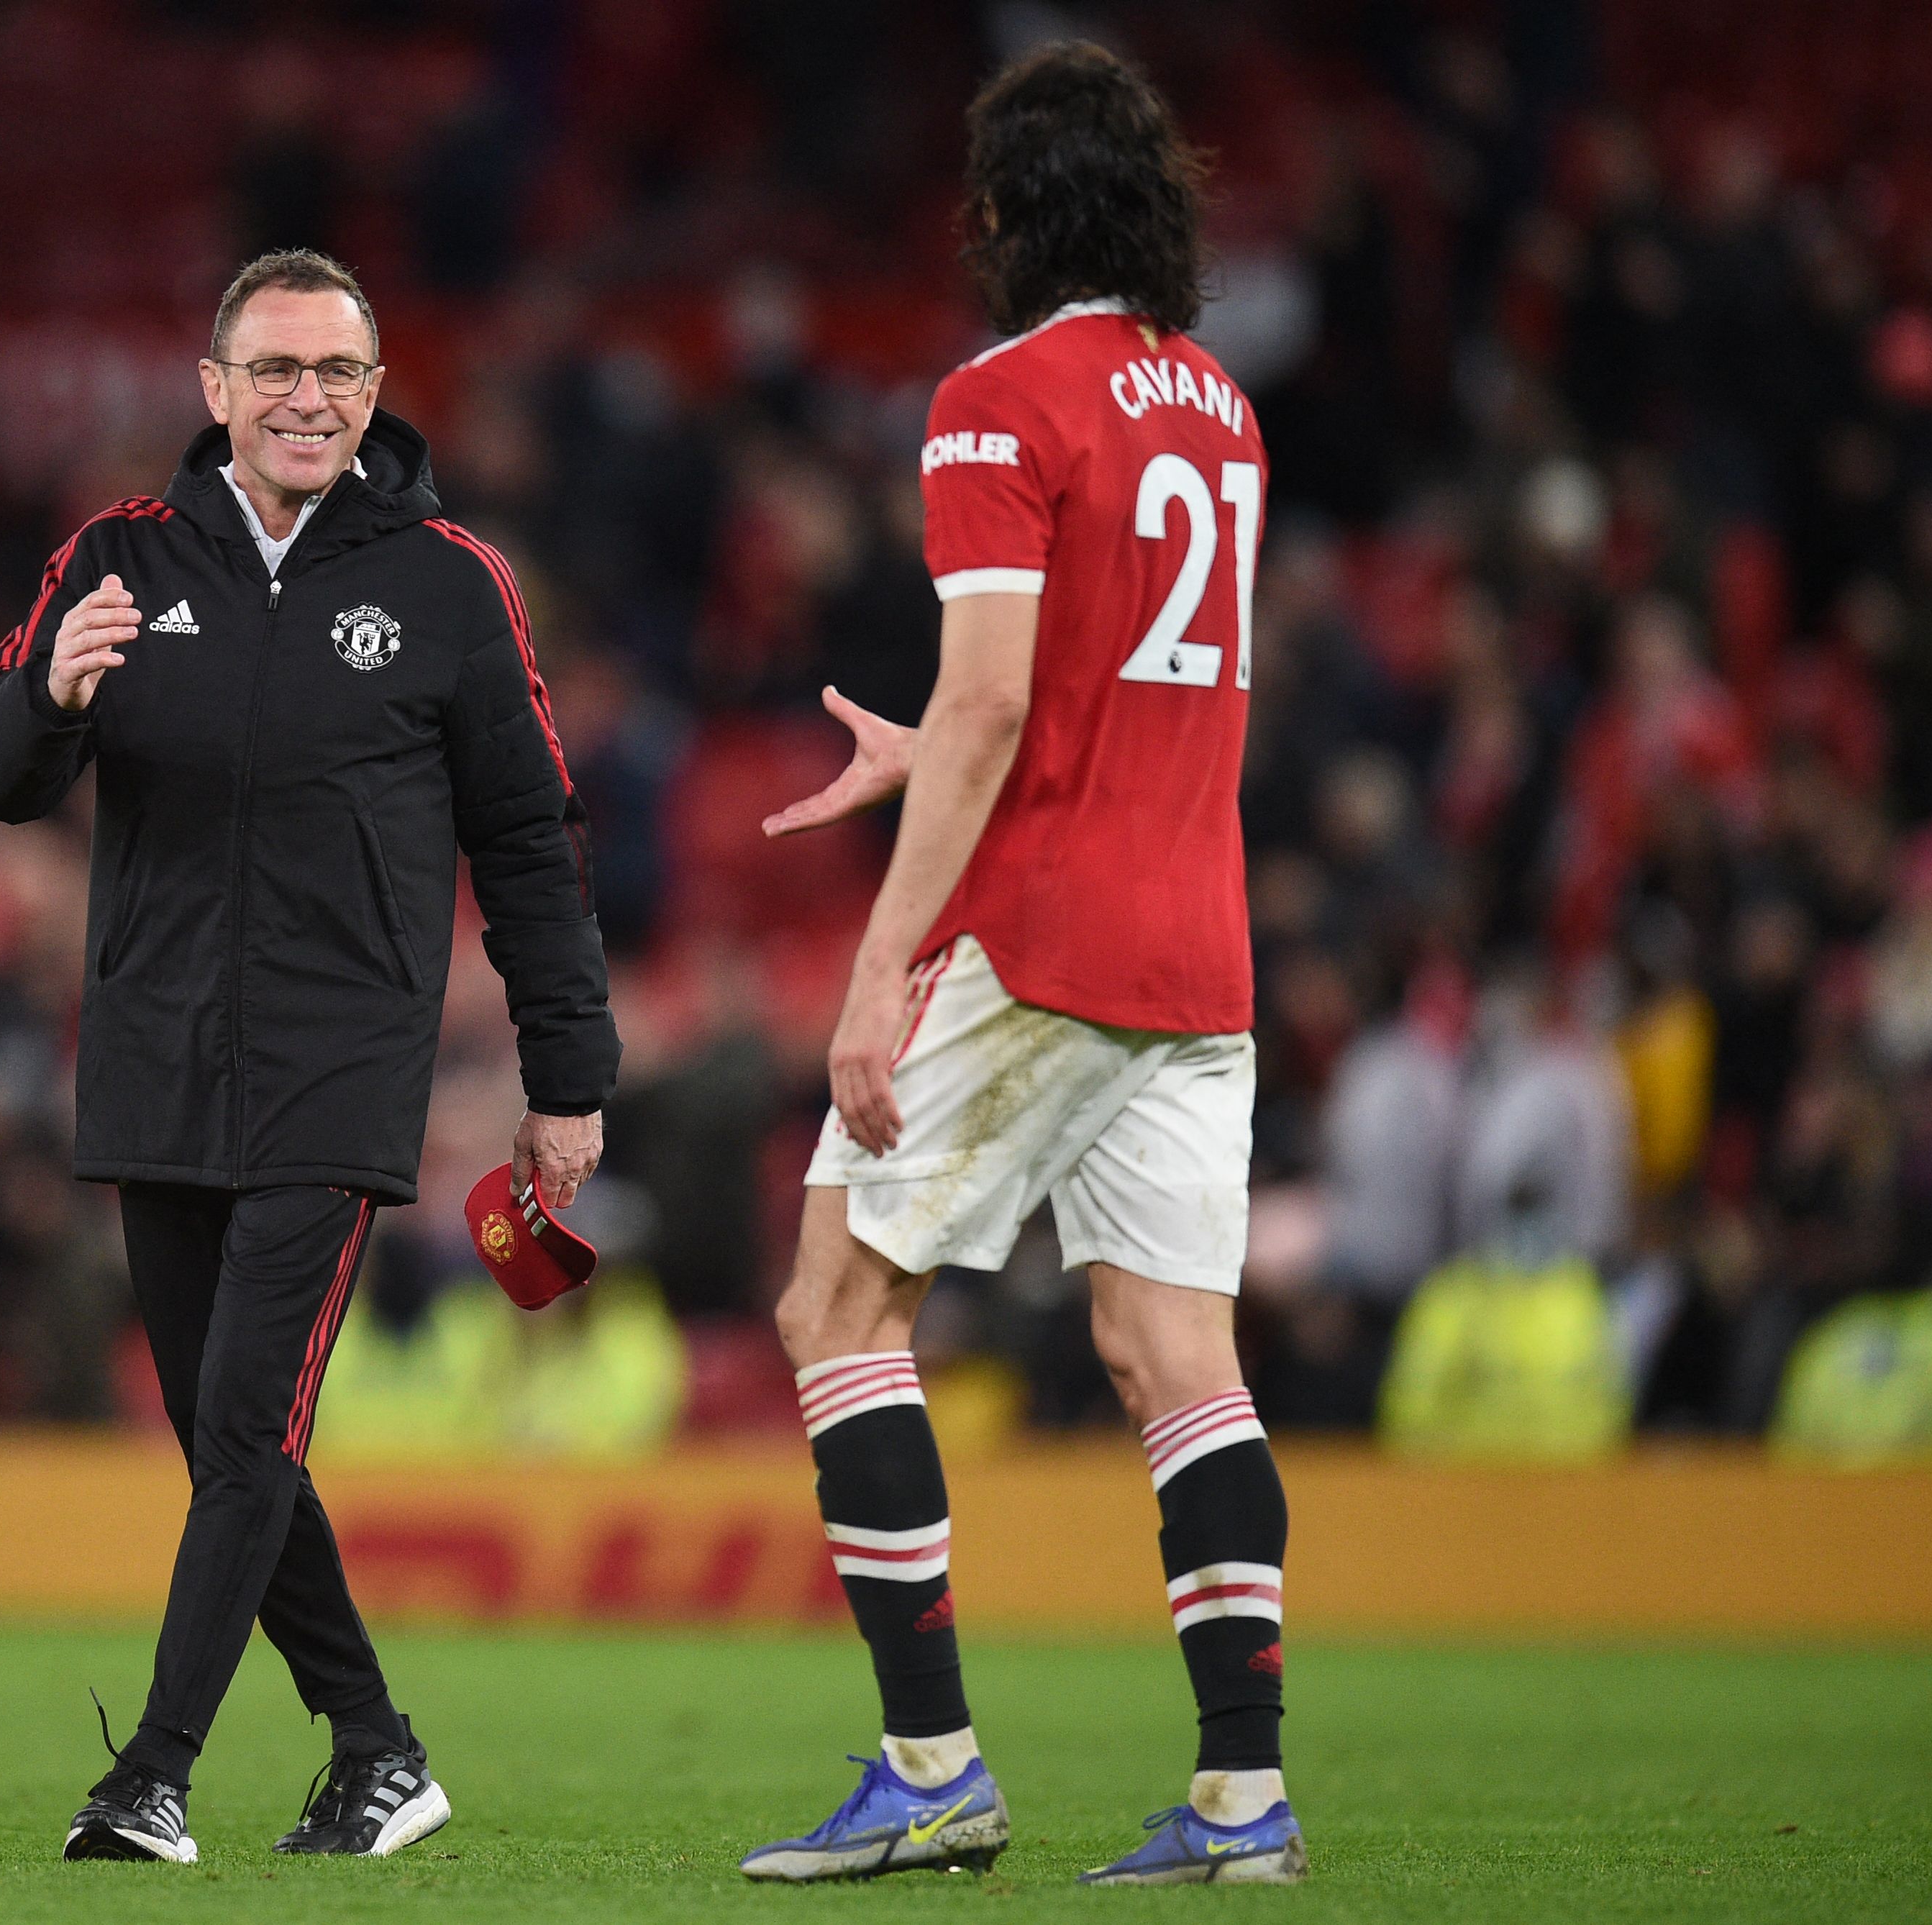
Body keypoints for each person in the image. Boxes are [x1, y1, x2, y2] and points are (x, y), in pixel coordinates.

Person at [0, 250, 617, 1865]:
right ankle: (378, 1752)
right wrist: (50, 694)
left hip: (340, 1062)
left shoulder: (453, 584)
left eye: (337, 372)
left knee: (246, 1426)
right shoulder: (117, 558)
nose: (307, 398)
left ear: (377, 395)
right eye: (276, 371)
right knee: (226, 1438)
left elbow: (530, 844)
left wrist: (567, 1075)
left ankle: (154, 1778)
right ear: (216, 390)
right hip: (157, 1054)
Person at [739, 45, 1304, 1885]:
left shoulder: (995, 400)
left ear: (1001, 214)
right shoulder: (1218, 403)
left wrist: (879, 962)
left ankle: (929, 1770)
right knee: (1171, 1353)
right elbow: (1136, 683)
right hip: (1200, 943)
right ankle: (1243, 1800)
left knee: (836, 1308)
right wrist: (944, 752)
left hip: (1046, 931)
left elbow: (992, 696)